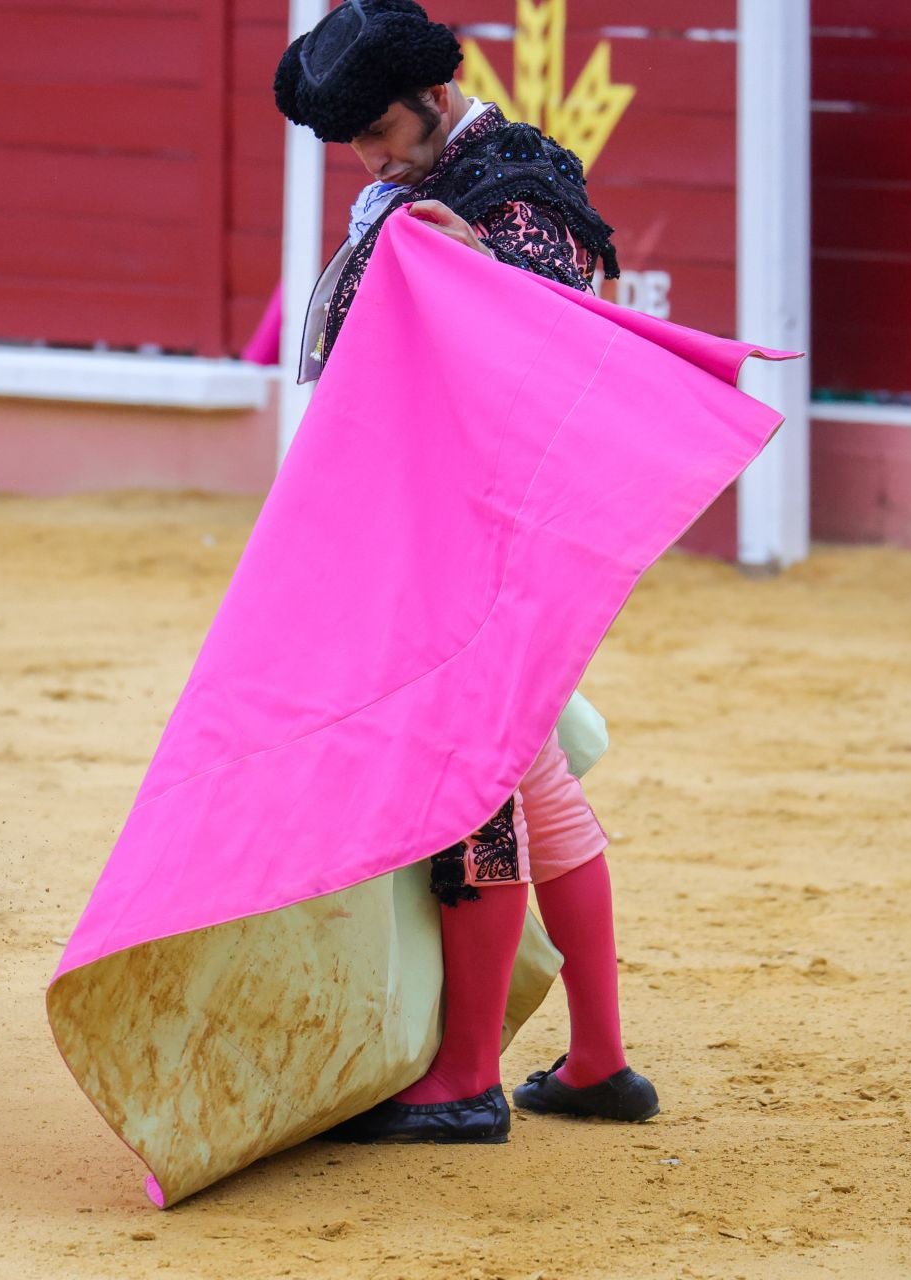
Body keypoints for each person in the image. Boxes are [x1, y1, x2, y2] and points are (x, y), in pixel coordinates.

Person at [272, 0, 658, 1143]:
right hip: (448, 523)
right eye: (355, 143)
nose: (373, 158)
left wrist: (468, 257)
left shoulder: (516, 182)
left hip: (481, 534)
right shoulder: (424, 182)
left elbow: (544, 325)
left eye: (383, 131)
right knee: (531, 783)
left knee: (474, 790)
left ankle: (466, 1076)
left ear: (438, 96)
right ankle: (595, 1060)